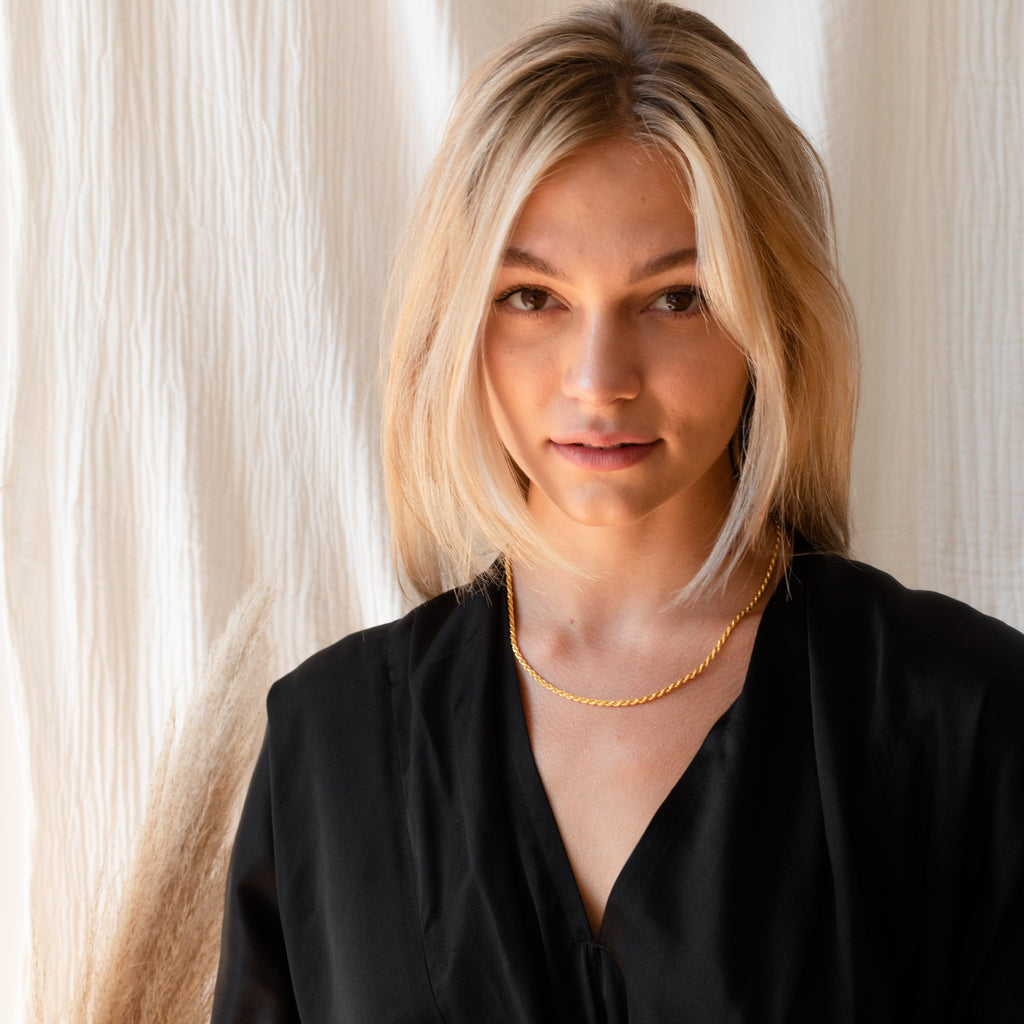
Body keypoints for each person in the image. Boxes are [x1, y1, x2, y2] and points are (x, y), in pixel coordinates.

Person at [210, 1, 1024, 1021]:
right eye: (532, 296)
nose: (599, 381)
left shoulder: (963, 719)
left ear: (773, 317)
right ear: (454, 321)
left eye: (677, 297)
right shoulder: (329, 747)